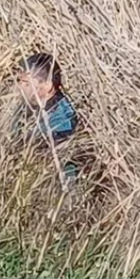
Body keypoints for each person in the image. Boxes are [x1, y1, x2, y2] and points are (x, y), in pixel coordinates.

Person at [11, 52, 81, 184]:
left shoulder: (63, 120)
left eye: (26, 83)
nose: (19, 87)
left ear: (47, 85)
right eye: (19, 81)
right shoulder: (26, 106)